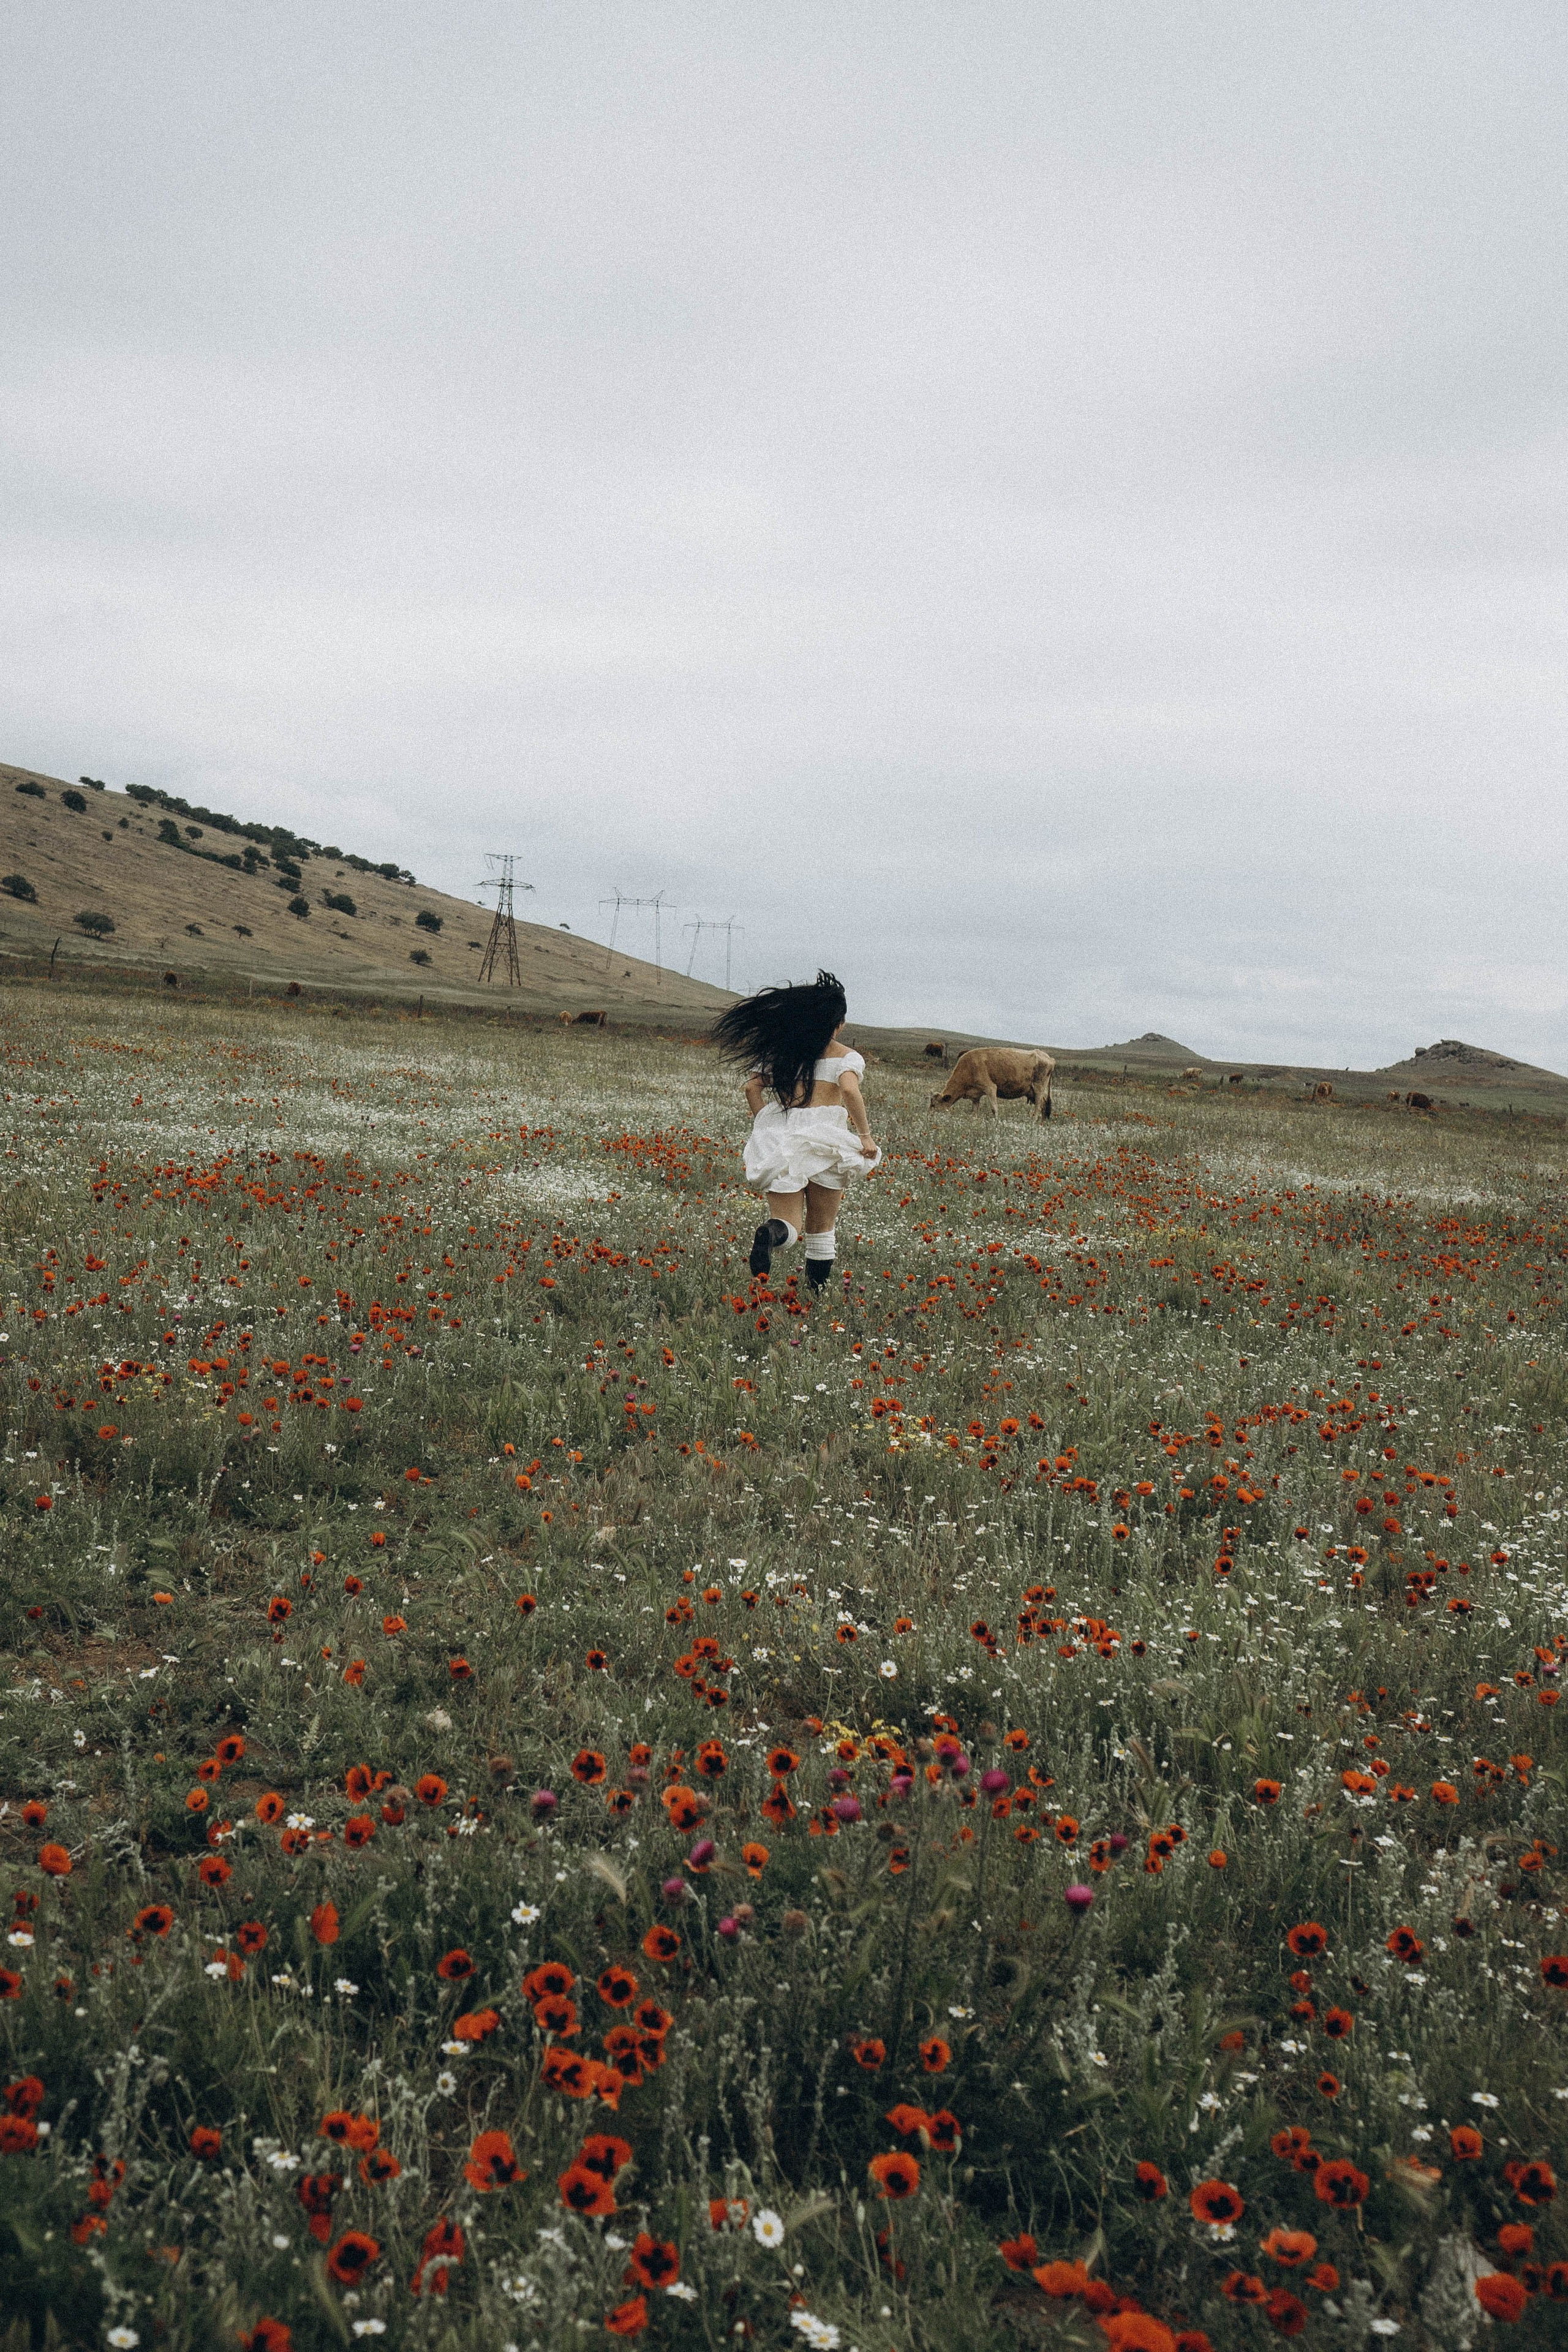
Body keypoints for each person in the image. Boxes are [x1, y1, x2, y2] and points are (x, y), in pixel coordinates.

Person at [712, 970, 881, 1290]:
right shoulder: (845, 1056)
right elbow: (849, 1091)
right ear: (838, 1024)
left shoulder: (783, 1055)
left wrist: (769, 1123)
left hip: (783, 1137)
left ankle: (770, 1234)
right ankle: (814, 1296)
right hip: (825, 1142)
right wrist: (865, 1136)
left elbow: (752, 1089)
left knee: (787, 1223)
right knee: (821, 1227)